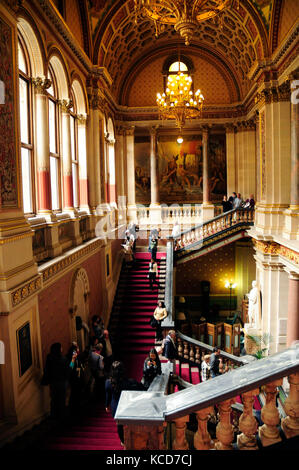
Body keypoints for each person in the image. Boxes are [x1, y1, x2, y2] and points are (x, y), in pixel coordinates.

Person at [105, 361, 145, 445]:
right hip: (127, 406)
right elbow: (142, 390)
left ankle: (123, 442)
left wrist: (107, 405)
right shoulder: (130, 382)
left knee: (119, 426)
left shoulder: (108, 383)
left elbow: (108, 395)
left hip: (115, 406)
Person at [41, 342, 70, 421]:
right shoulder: (64, 359)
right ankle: (61, 415)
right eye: (61, 347)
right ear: (59, 349)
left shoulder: (49, 358)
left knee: (54, 399)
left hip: (53, 381)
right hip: (62, 381)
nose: (62, 349)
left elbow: (47, 369)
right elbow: (68, 369)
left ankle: (53, 415)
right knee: (62, 399)